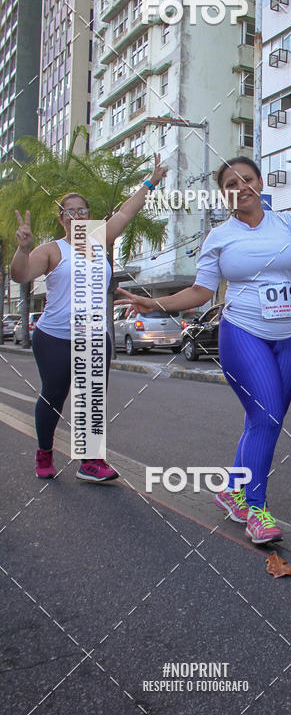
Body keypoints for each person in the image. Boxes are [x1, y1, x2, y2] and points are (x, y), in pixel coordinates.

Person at [117, 156, 291, 544]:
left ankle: (231, 490)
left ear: (259, 182)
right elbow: (201, 292)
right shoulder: (219, 237)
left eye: (247, 179)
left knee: (261, 420)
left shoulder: (288, 222)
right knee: (268, 418)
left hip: (288, 336)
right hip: (242, 333)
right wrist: (154, 303)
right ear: (223, 194)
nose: (240, 187)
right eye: (230, 183)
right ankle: (256, 509)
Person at [11, 153, 167, 481]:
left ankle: (89, 463)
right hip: (54, 336)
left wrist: (151, 181)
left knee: (91, 400)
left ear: (90, 217)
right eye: (71, 210)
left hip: (94, 336)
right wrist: (23, 249)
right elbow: (20, 275)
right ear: (61, 218)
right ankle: (44, 451)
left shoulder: (98, 240)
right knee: (54, 395)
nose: (78, 213)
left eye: (83, 209)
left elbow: (127, 209)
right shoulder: (52, 250)